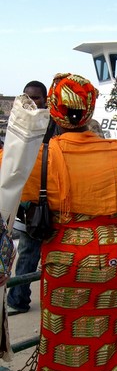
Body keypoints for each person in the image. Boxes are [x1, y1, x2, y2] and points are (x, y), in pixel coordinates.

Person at [21, 73, 117, 371]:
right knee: (105, 338)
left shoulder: (43, 157)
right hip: (114, 258)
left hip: (67, 260)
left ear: (55, 110)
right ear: (90, 110)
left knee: (62, 339)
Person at [7, 81, 52, 314]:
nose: (32, 102)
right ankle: (18, 297)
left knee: (39, 254)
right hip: (27, 204)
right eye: (28, 97)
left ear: (46, 99)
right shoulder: (23, 124)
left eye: (36, 98)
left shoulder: (51, 125)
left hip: (47, 201)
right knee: (27, 254)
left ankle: (21, 296)